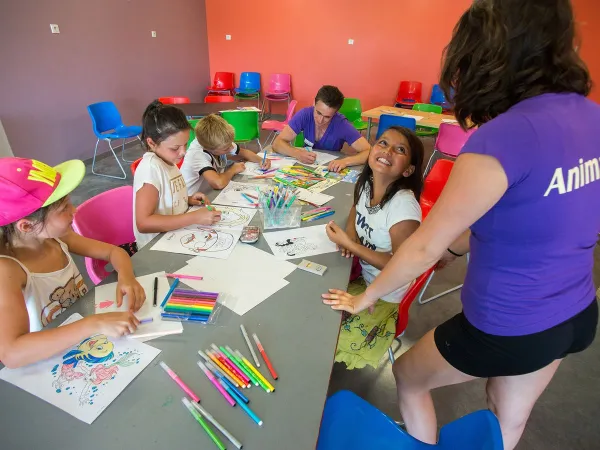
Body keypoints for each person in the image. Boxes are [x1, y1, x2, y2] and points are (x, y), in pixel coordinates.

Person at [322, 1, 599, 448]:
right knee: (507, 414)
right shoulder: (591, 115)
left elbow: (422, 248)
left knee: (409, 375)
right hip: (577, 312)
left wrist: (364, 299)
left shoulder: (504, 137)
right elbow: (529, 212)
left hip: (509, 320)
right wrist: (457, 248)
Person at [0, 157, 145, 369]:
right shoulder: (7, 270)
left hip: (85, 335)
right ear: (27, 226)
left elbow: (114, 252)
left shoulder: (57, 237)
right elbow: (12, 353)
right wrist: (93, 323)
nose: (74, 210)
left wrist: (126, 277)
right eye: (64, 208)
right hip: (51, 360)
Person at [325, 126, 423, 369]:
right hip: (365, 280)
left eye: (399, 149)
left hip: (385, 294)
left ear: (408, 169)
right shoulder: (367, 183)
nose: (387, 151)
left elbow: (400, 266)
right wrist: (351, 234)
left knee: (327, 343)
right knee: (314, 310)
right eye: (382, 143)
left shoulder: (403, 207)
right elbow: (354, 209)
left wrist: (351, 246)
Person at [134, 100, 221, 249]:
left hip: (175, 235)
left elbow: (165, 198)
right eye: (175, 148)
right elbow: (144, 223)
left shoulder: (168, 159)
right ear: (152, 143)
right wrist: (193, 217)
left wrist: (186, 200)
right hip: (155, 247)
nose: (183, 152)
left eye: (185, 144)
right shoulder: (150, 169)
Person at [272, 85, 371, 171]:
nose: (320, 120)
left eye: (327, 117)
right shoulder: (304, 115)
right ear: (314, 103)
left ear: (335, 113)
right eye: (318, 113)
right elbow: (277, 143)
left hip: (329, 169)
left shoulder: (341, 124)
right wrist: (297, 153)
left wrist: (345, 161)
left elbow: (368, 151)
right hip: (304, 166)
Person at [180, 114, 271, 195]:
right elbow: (218, 183)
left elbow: (244, 152)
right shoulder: (197, 154)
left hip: (208, 192)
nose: (230, 148)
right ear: (211, 149)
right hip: (190, 201)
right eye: (226, 149)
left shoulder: (219, 141)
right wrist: (233, 170)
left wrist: (260, 160)